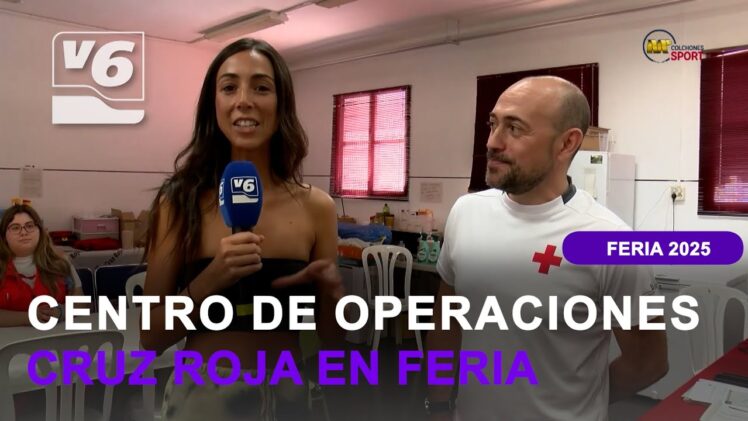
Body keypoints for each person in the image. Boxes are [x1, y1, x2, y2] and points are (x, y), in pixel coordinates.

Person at [426, 76, 668, 420]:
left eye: (515, 128)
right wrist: (437, 404)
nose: (493, 142)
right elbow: (447, 320)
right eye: (493, 124)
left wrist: (579, 405)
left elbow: (649, 362)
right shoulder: (466, 212)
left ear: (567, 143)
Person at [140, 38, 344, 421]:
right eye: (229, 87)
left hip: (289, 396)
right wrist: (212, 277)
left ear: (281, 103)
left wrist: (333, 295)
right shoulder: (179, 202)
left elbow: (332, 342)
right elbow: (150, 337)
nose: (244, 100)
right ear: (213, 103)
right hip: (203, 399)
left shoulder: (317, 207)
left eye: (261, 87)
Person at [0, 204, 83, 327]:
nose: (24, 232)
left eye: (29, 226)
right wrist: (29, 317)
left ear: (40, 230)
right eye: (15, 228)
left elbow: (81, 304)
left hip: (57, 335)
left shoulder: (61, 261)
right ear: (4, 236)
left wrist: (61, 312)